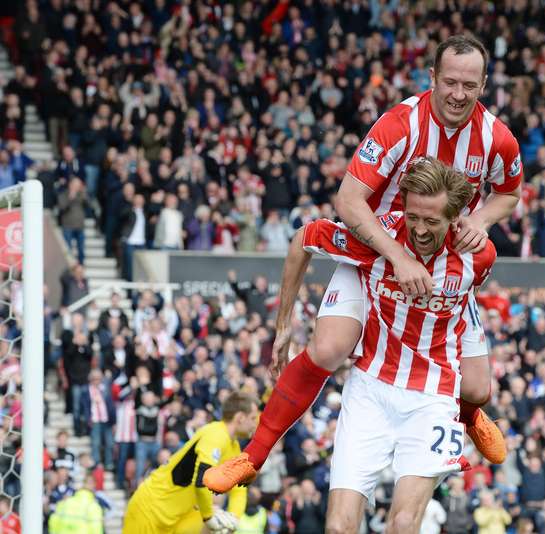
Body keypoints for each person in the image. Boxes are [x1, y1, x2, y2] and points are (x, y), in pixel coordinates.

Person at [206, 34, 522, 492]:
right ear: (432, 78)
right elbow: (349, 200)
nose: (458, 94)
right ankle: (252, 456)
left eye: (469, 85)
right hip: (376, 251)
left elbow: (510, 191)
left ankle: (470, 413)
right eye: (449, 82)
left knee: (477, 387)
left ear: (484, 84)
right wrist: (395, 255)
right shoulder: (399, 126)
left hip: (442, 262)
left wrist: (481, 218)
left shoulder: (496, 137)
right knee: (330, 348)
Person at [207, 158, 497, 533]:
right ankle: (253, 454)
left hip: (432, 397)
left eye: (432, 221)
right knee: (338, 528)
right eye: (413, 217)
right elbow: (304, 240)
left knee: (404, 524)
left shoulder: (479, 256)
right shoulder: (375, 240)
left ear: (455, 219)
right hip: (370, 391)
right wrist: (283, 327)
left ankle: (470, 414)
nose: (420, 230)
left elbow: (466, 307)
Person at [123, 391, 258, 534]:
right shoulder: (215, 434)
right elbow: (201, 481)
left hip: (178, 517)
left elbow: (239, 490)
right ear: (240, 417)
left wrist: (234, 518)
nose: (256, 423)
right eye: (253, 418)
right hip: (150, 511)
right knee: (213, 524)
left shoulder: (234, 447)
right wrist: (208, 517)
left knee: (220, 527)